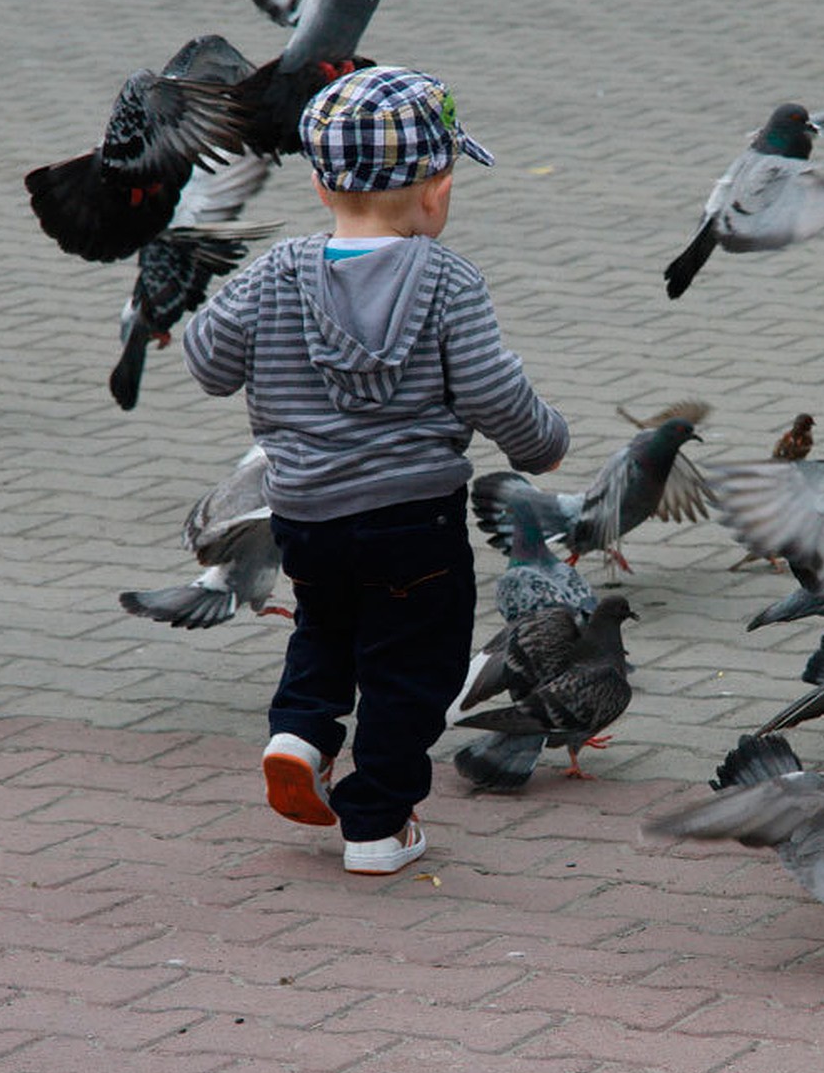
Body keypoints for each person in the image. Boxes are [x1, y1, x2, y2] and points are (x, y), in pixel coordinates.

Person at [182, 65, 568, 874]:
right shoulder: (448, 280)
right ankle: (376, 826)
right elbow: (496, 393)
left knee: (325, 631)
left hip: (307, 516)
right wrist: (542, 446)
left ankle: (300, 734)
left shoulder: (276, 270)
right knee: (413, 669)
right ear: (435, 193)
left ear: (322, 185)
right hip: (413, 523)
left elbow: (208, 361)